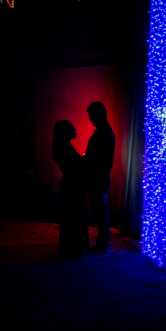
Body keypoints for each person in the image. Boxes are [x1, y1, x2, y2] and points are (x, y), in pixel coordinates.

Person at [52, 120, 89, 259]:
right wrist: (85, 159)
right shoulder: (65, 148)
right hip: (72, 186)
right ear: (65, 131)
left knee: (71, 217)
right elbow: (73, 166)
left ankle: (71, 250)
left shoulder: (63, 147)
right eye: (71, 127)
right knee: (73, 216)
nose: (75, 129)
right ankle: (74, 250)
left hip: (70, 185)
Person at [83, 101, 115, 258]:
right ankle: (103, 244)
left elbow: (105, 160)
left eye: (91, 115)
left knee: (100, 211)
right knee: (100, 211)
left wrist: (92, 170)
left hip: (98, 177)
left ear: (99, 115)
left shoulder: (103, 135)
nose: (90, 119)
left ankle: (103, 245)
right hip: (99, 176)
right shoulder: (103, 133)